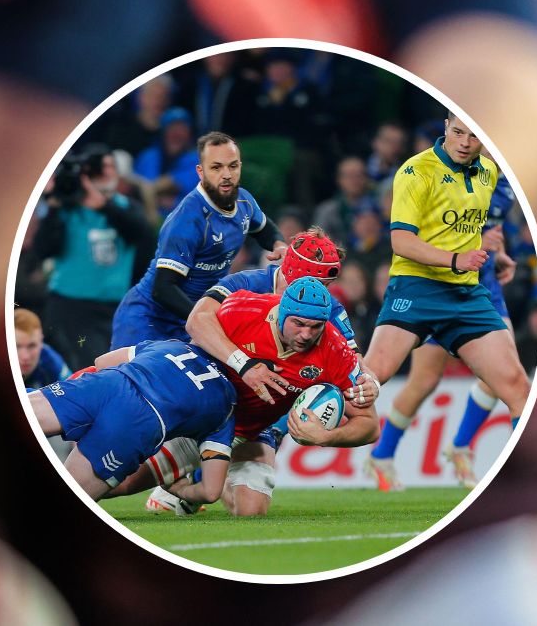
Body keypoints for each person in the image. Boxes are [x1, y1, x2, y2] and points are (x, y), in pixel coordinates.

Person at [131, 277, 377, 517]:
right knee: (123, 483)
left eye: (315, 327)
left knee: (251, 511)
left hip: (252, 431)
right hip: (204, 420)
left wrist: (327, 436)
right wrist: (244, 365)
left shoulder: (335, 350)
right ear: (281, 313)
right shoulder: (245, 309)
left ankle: (205, 480)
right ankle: (190, 480)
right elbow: (195, 328)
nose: (306, 334)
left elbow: (369, 424)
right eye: (298, 323)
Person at [362, 116, 530, 446]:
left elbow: (477, 225)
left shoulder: (488, 172)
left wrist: (498, 253)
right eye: (458, 133)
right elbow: (401, 242)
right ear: (445, 125)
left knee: (517, 386)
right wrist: (458, 260)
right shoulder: (415, 171)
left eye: (474, 136)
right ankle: (283, 425)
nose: (465, 143)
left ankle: (522, 487)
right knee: (370, 378)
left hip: (466, 294)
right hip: (417, 287)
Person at [365, 174, 519, 491]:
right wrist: (476, 245)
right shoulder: (438, 173)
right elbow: (422, 234)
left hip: (483, 284)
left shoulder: (502, 180)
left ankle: (461, 447)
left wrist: (498, 252)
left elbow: (492, 226)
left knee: (508, 376)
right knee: (425, 380)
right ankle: (382, 455)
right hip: (438, 284)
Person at [109, 131, 286, 350]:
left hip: (191, 316)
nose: (227, 174)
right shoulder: (188, 219)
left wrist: (279, 244)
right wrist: (206, 320)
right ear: (200, 172)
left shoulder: (244, 200)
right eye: (216, 167)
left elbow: (263, 228)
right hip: (149, 318)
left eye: (233, 166)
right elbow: (163, 289)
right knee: (134, 382)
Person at [26, 337, 235, 506]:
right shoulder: (227, 407)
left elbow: (101, 362)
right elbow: (210, 491)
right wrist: (180, 489)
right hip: (139, 423)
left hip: (109, 384)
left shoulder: (173, 345)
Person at [31, 144, 154, 369]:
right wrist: (54, 206)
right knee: (91, 367)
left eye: (110, 166)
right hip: (71, 307)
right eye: (99, 168)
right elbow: (43, 249)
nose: (106, 172)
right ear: (85, 174)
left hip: (115, 310)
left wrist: (104, 206)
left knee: (118, 369)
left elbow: (141, 234)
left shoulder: (127, 207)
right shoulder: (67, 209)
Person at [14, 307, 70, 390]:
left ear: (41, 342)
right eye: (15, 346)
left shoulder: (53, 364)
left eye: (32, 346)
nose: (25, 357)